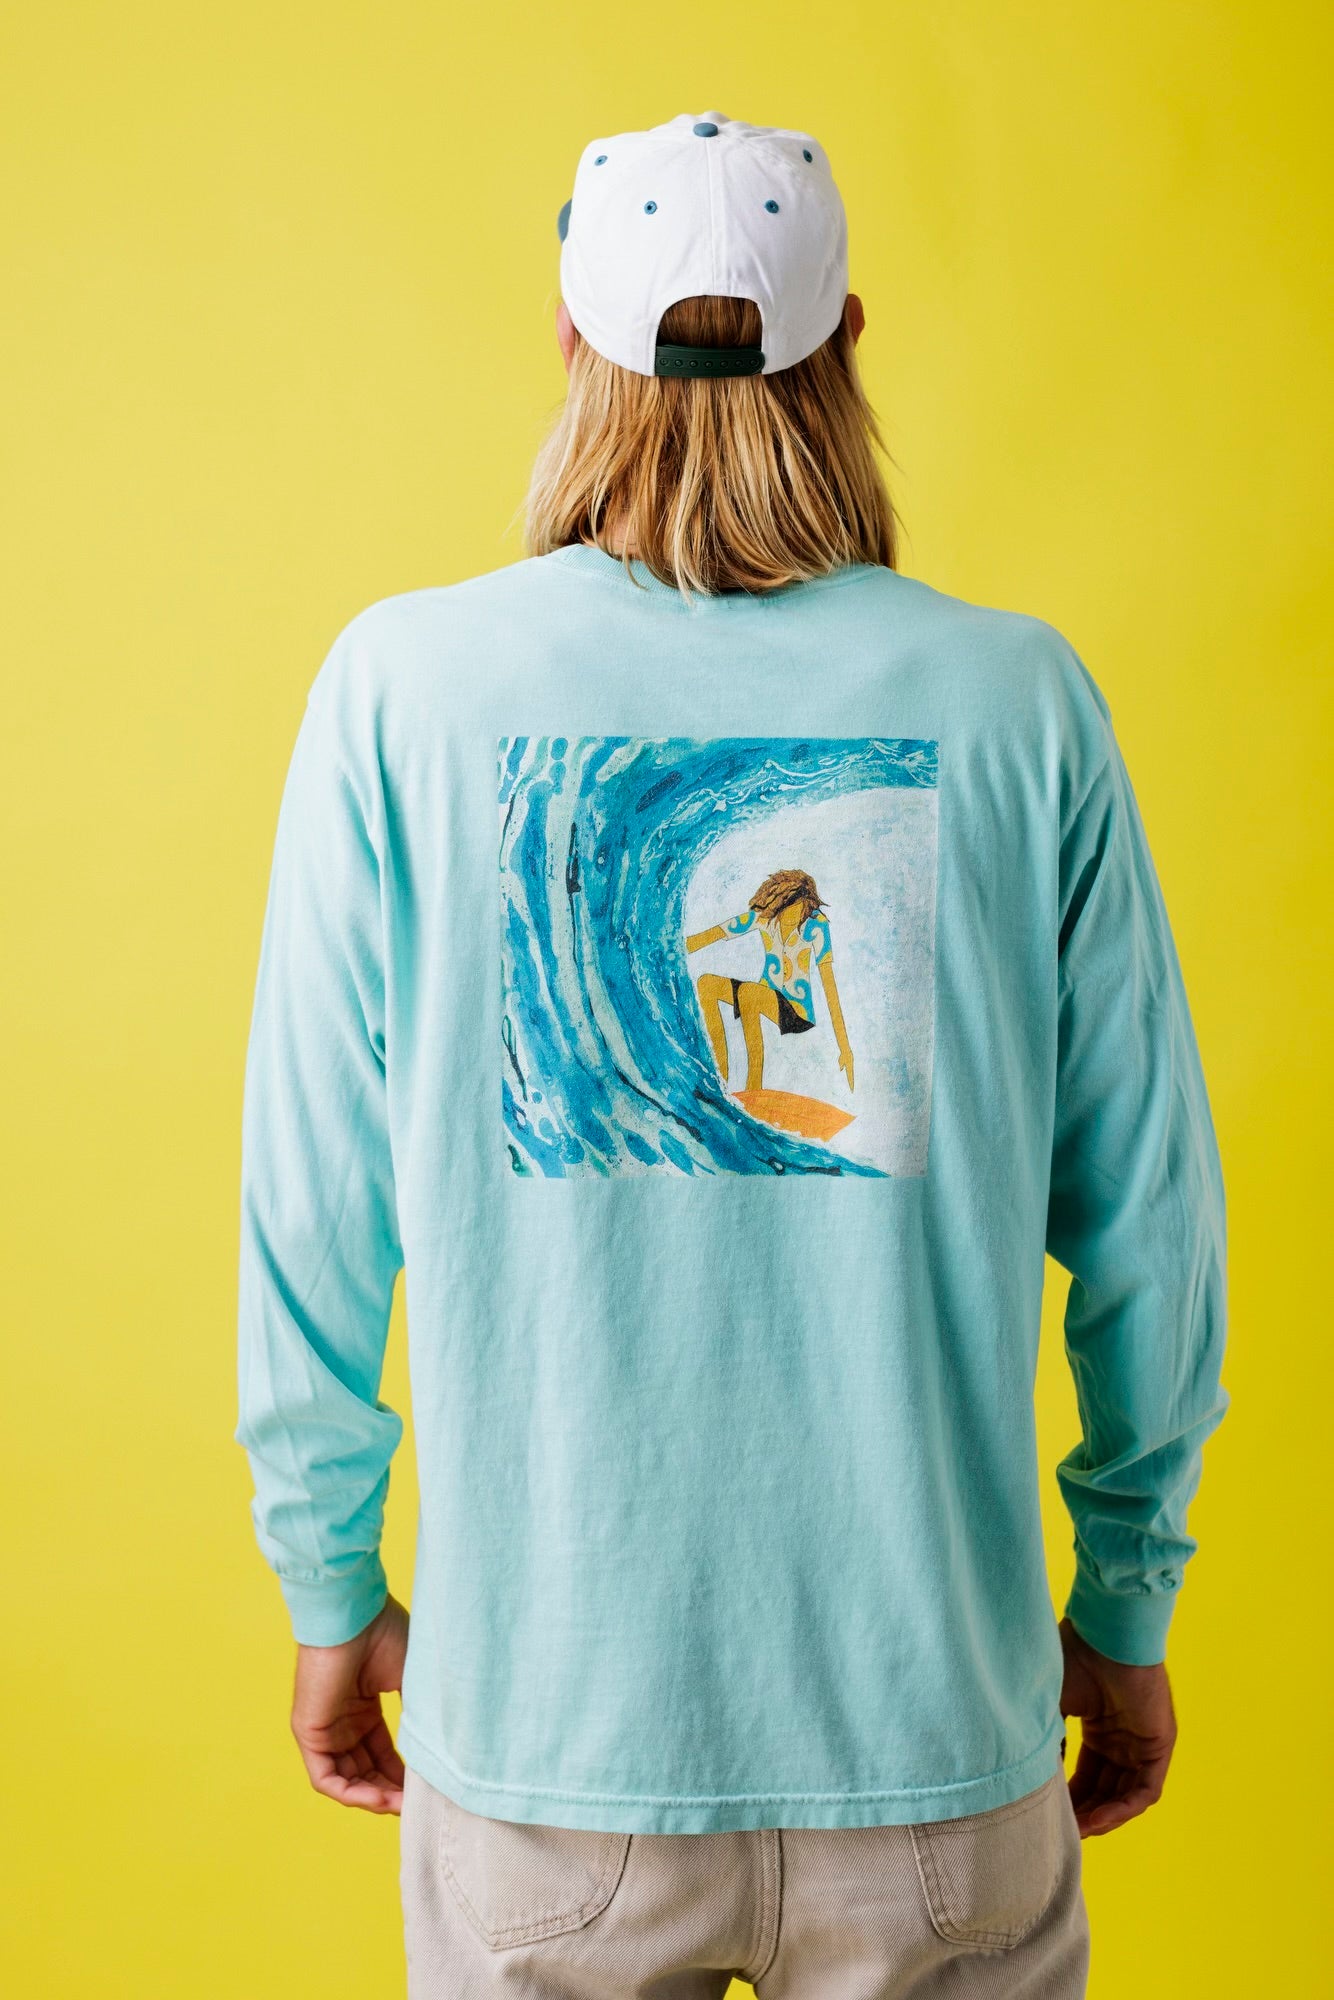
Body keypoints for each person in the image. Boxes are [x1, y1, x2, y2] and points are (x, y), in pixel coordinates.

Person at [236, 111, 1228, 1997]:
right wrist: (1122, 1601)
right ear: (843, 342)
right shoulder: (1018, 701)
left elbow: (310, 1206)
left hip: (547, 1758)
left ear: (570, 344)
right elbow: (1149, 1224)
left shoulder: (401, 691)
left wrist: (327, 1582)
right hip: (939, 1751)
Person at [687, 868, 855, 1096]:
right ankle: (719, 1078)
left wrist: (845, 1049)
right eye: (783, 909)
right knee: (707, 984)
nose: (787, 917)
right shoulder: (767, 917)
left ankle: (754, 1087)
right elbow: (714, 934)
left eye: (794, 909)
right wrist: (671, 948)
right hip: (762, 996)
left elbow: (830, 987)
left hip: (796, 1012)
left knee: (749, 992)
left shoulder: (816, 925)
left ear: (805, 905)